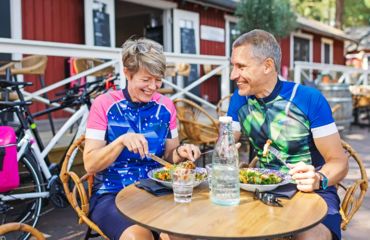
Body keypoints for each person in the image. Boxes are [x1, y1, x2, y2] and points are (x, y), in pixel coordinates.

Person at [227, 29, 348, 240]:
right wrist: (222, 148)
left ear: (267, 66)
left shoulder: (308, 99)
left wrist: (319, 178)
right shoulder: (239, 99)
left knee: (309, 236)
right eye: (233, 66)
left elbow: (339, 162)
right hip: (260, 189)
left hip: (311, 192)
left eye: (241, 67)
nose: (233, 75)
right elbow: (225, 142)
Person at [83, 38, 201, 240]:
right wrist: (120, 141)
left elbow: (168, 157)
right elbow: (90, 164)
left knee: (182, 234)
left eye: (158, 79)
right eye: (146, 80)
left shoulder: (166, 107)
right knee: (138, 238)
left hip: (157, 190)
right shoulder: (104, 104)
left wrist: (180, 153)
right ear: (128, 74)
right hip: (111, 193)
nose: (153, 87)